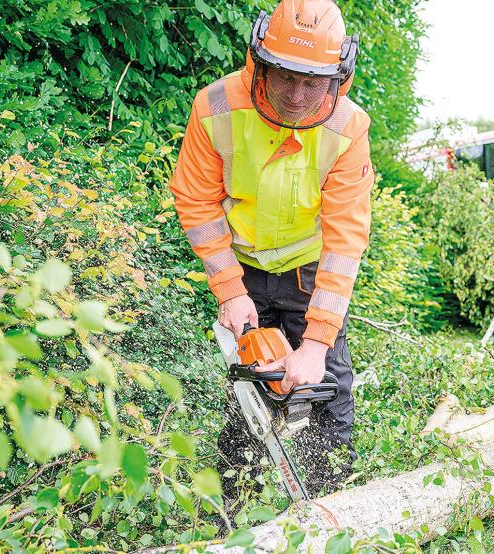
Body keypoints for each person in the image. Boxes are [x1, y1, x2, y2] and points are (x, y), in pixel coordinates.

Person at [169, 0, 372, 496]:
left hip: (310, 274)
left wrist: (318, 342)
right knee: (246, 397)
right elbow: (196, 200)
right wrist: (229, 292)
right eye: (286, 76)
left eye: (313, 81)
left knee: (330, 392)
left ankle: (336, 506)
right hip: (243, 270)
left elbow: (345, 238)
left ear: (337, 73)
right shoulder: (216, 105)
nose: (298, 94)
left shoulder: (348, 127)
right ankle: (232, 511)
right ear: (261, 61)